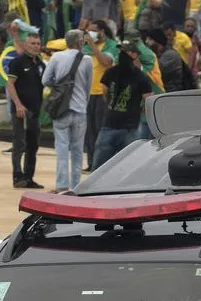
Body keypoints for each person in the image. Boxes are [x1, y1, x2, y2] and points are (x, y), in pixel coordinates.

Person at [41, 30, 93, 192]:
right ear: (79, 43)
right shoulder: (87, 60)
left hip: (61, 108)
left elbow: (45, 80)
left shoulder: (56, 57)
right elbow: (87, 87)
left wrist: (59, 89)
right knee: (77, 150)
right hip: (79, 110)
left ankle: (61, 184)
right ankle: (76, 186)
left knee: (62, 148)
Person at [92, 40, 154, 170]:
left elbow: (149, 100)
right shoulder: (115, 73)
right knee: (106, 168)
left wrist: (112, 105)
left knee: (120, 168)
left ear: (135, 55)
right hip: (113, 126)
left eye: (125, 51)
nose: (121, 54)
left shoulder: (138, 76)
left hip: (125, 128)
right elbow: (149, 100)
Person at [5, 32, 45, 189]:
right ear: (25, 45)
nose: (36, 47)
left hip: (35, 110)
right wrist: (18, 104)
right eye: (32, 44)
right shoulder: (18, 62)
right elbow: (10, 84)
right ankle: (17, 175)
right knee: (19, 142)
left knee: (33, 143)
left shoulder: (40, 64)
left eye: (38, 44)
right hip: (20, 109)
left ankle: (29, 177)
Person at [81, 21, 118, 170]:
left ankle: (101, 165)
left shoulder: (111, 45)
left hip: (103, 94)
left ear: (102, 32)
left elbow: (106, 62)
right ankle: (91, 163)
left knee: (100, 131)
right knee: (89, 131)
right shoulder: (86, 47)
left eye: (93, 31)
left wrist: (93, 45)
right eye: (88, 31)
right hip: (87, 94)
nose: (90, 34)